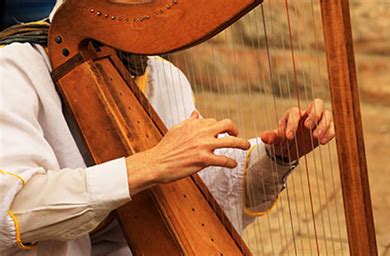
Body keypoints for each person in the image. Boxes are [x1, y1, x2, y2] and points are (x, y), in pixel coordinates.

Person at [0, 1, 335, 255]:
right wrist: (148, 165)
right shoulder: (15, 68)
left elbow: (201, 194)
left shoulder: (167, 77)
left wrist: (277, 156)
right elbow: (8, 213)